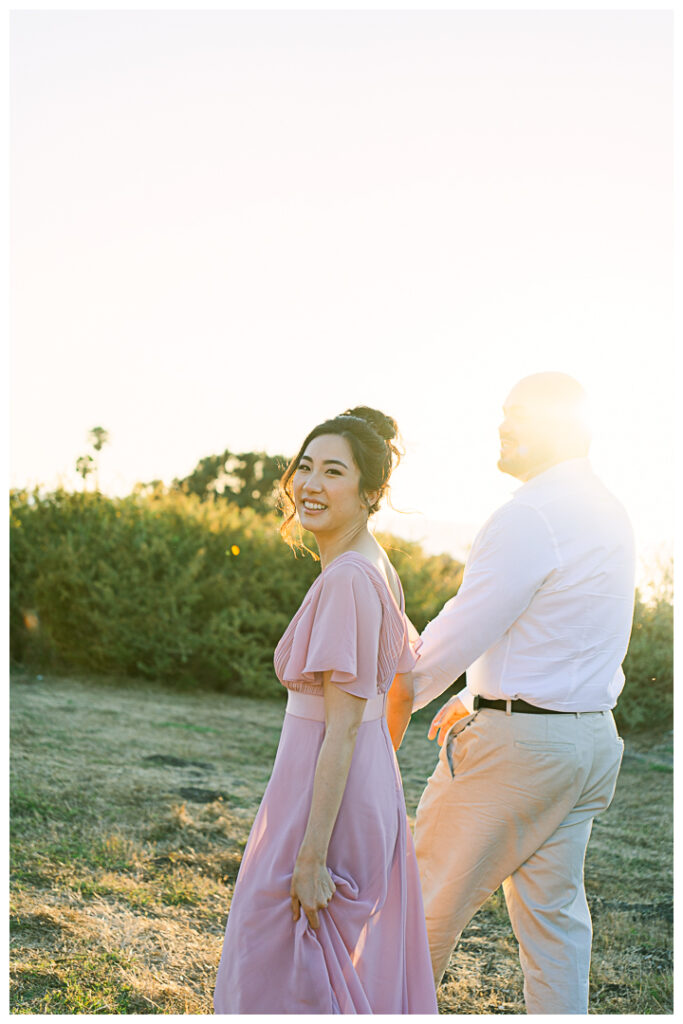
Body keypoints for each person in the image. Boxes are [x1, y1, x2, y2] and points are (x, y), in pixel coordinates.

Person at [387, 372, 636, 1015]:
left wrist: (381, 706)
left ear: (565, 426)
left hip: (516, 752)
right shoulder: (607, 508)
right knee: (554, 925)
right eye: (503, 411)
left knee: (420, 906)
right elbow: (565, 634)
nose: (503, 425)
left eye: (519, 414)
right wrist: (481, 694)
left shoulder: (529, 513)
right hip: (586, 743)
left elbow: (460, 631)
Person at [213, 406, 438, 1014]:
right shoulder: (375, 566)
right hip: (359, 785)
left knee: (276, 962)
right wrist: (375, 771)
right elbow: (402, 690)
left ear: (370, 493)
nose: (309, 484)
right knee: (323, 970)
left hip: (325, 799)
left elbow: (340, 726)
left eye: (332, 471)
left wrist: (311, 855)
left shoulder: (347, 580)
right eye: (304, 467)